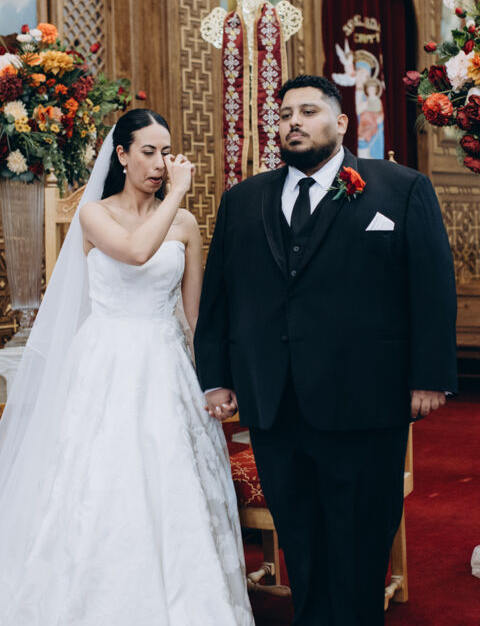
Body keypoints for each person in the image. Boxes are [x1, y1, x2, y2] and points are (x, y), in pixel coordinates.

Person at [194, 75, 457, 626]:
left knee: (360, 541)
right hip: (275, 400)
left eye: (308, 111)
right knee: (301, 538)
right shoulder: (243, 200)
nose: (293, 121)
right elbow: (219, 295)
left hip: (367, 398)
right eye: (285, 113)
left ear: (340, 123)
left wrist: (430, 375)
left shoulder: (401, 188)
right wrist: (215, 376)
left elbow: (432, 288)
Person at [0, 109, 254, 626]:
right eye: (149, 152)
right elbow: (137, 253)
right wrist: (178, 194)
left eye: (167, 152)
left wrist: (214, 381)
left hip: (166, 366)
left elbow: (195, 318)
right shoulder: (95, 215)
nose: (161, 163)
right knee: (101, 480)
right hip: (105, 364)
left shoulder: (185, 225)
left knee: (171, 480)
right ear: (121, 155)